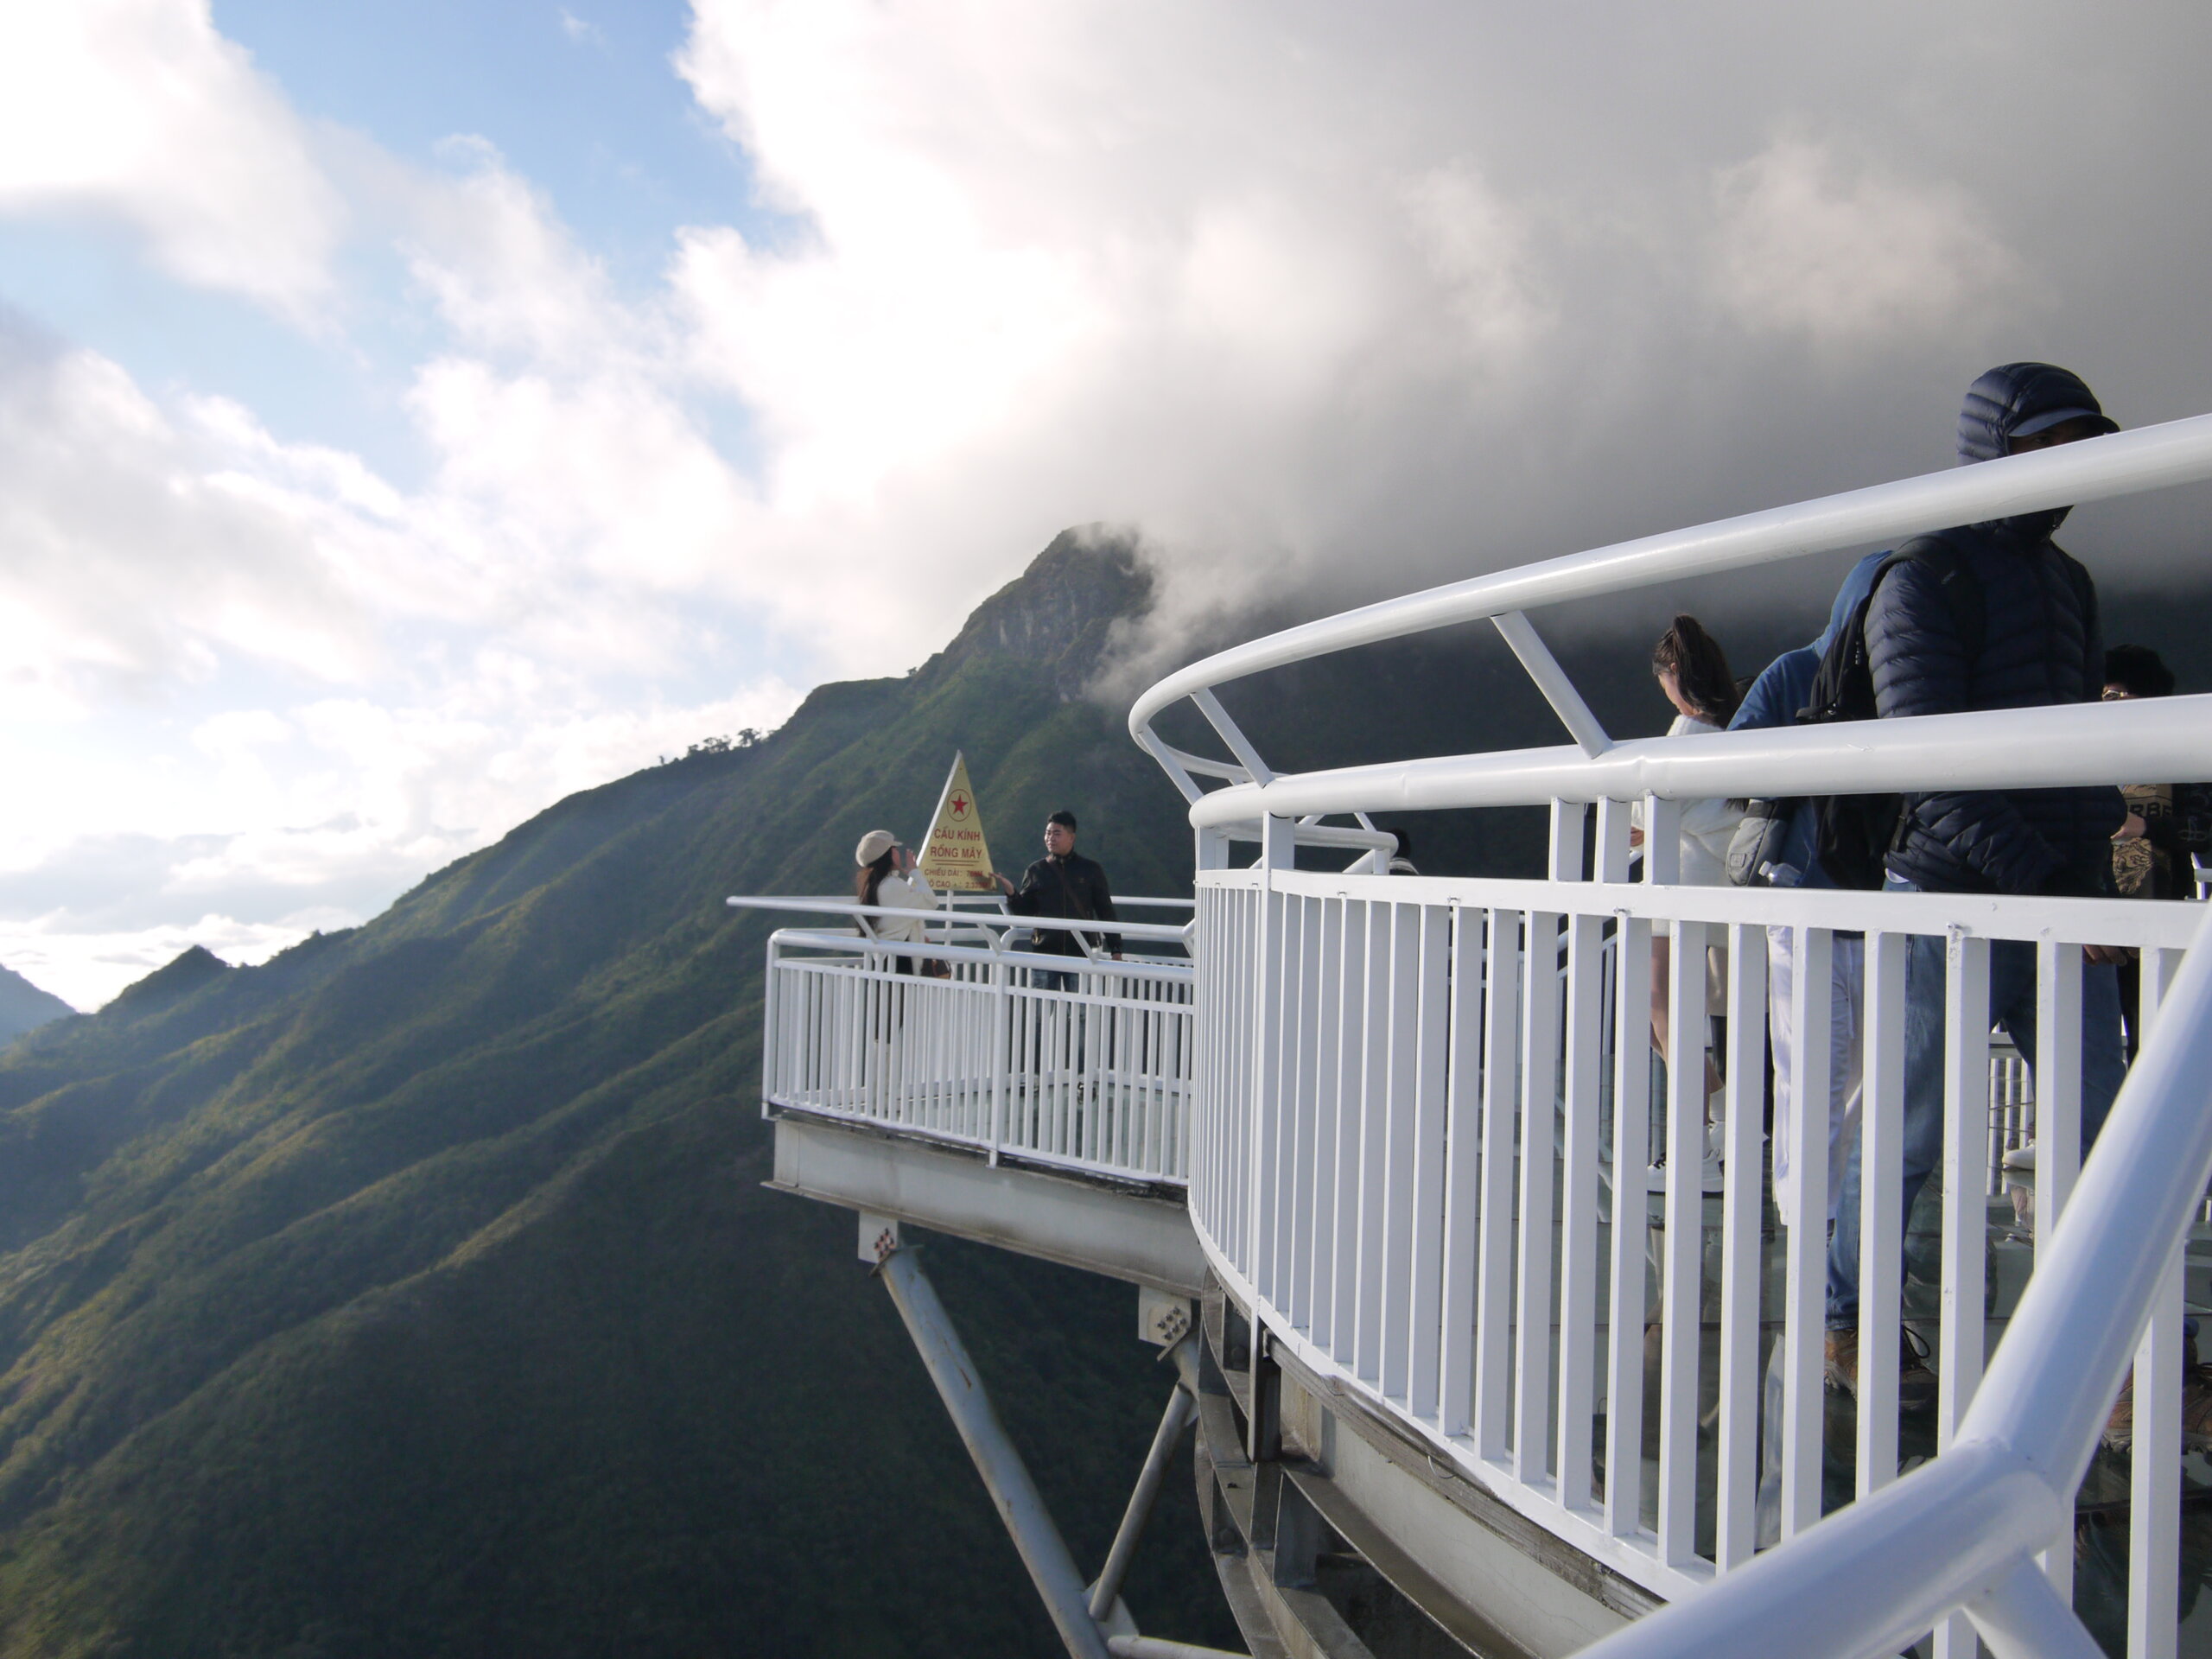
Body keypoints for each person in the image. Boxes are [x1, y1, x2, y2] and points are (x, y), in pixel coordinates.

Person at [1823, 362, 2133, 1413]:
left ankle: (2109, 1363)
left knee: (2101, 1135)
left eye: (2080, 441)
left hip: (2057, 899)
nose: (2069, 463)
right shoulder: (1921, 578)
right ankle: (1849, 1323)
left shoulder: (2069, 580)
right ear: (1994, 452)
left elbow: (2083, 749)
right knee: (1907, 1131)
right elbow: (1928, 765)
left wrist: (2087, 883)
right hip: (1947, 898)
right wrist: (2058, 884)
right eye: (2047, 442)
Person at [1726, 553, 1885, 1231]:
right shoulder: (1796, 670)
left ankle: (1833, 1225)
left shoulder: (1908, 679)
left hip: (1879, 911)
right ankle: (1808, 1227)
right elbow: (1731, 766)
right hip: (1806, 905)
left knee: (1862, 1086)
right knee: (1814, 1080)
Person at [1631, 616, 1745, 1192]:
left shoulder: (1687, 731)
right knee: (1679, 1018)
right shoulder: (1738, 727)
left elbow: (1647, 811)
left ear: (1674, 675)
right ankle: (1723, 1124)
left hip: (1681, 890)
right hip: (1721, 889)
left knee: (1662, 1014)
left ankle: (1694, 1149)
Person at [995, 810, 1120, 994]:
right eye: (1048, 833)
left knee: (1081, 1013)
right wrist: (1011, 893)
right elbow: (1024, 912)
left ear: (1072, 837)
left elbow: (1105, 910)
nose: (1050, 838)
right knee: (1039, 1013)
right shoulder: (1036, 870)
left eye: (1056, 833)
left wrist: (1115, 947)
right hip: (1045, 951)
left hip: (1080, 952)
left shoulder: (1090, 870)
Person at [855, 829, 938, 970]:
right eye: (894, 849)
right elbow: (930, 901)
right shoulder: (893, 885)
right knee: (901, 992)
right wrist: (915, 872)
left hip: (882, 956)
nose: (898, 853)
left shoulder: (872, 884)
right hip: (900, 957)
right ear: (887, 855)